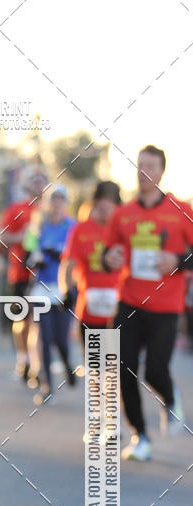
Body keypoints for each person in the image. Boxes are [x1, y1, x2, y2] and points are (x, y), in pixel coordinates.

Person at [103, 145, 193, 461]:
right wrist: (108, 257)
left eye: (151, 167)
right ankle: (141, 436)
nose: (144, 172)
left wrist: (179, 260)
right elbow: (107, 254)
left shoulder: (181, 210)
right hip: (129, 303)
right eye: (140, 166)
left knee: (155, 371)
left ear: (161, 171)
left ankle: (170, 396)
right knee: (123, 368)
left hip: (166, 307)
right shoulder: (123, 214)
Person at [0, 169, 48, 381]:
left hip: (45, 276)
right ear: (27, 185)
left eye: (41, 180)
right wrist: (21, 236)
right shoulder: (16, 209)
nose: (37, 185)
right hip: (19, 273)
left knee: (39, 322)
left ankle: (37, 363)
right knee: (22, 320)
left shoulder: (52, 210)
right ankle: (23, 356)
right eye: (34, 180)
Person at [23, 184, 75, 402]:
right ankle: (46, 386)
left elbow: (77, 256)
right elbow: (29, 253)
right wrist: (37, 258)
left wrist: (59, 256)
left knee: (61, 340)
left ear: (65, 202)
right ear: (47, 201)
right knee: (44, 336)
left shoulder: (73, 226)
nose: (56, 202)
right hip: (42, 288)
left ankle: (67, 365)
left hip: (64, 288)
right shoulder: (37, 225)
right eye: (53, 198)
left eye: (60, 198)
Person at [59, 181, 122, 348]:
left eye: (110, 208)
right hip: (89, 309)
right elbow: (68, 263)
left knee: (115, 366)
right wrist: (65, 290)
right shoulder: (81, 230)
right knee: (95, 365)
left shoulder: (124, 229)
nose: (105, 213)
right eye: (101, 208)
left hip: (120, 308)